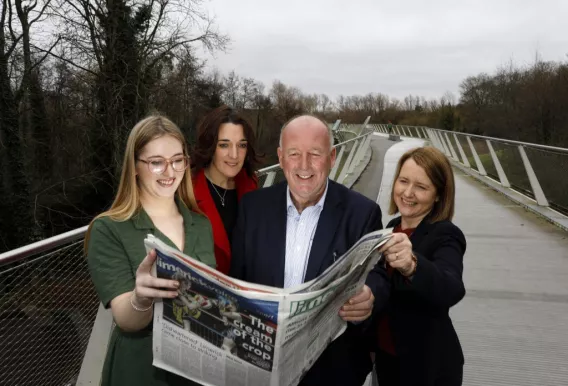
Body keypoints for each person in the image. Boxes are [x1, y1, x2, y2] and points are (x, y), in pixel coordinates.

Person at [229, 115, 389, 386]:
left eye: (315, 154)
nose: (304, 165)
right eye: (294, 154)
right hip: (263, 367)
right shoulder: (252, 208)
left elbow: (380, 274)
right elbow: (237, 280)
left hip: (332, 369)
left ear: (332, 157)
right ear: (281, 158)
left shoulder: (362, 213)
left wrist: (370, 294)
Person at [85, 115, 216, 386]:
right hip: (141, 372)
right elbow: (125, 319)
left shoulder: (201, 224)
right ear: (134, 166)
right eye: (156, 162)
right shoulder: (108, 229)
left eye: (177, 160)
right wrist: (141, 299)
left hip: (197, 370)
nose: (170, 172)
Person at [372, 146, 466, 386]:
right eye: (403, 181)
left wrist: (412, 265)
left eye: (421, 187)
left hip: (427, 367)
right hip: (387, 361)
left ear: (438, 195)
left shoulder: (446, 235)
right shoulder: (391, 227)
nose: (408, 193)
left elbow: (451, 286)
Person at [192, 105, 260, 275]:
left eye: (242, 145)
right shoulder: (188, 190)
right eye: (224, 145)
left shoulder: (250, 184)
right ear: (210, 146)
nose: (234, 155)